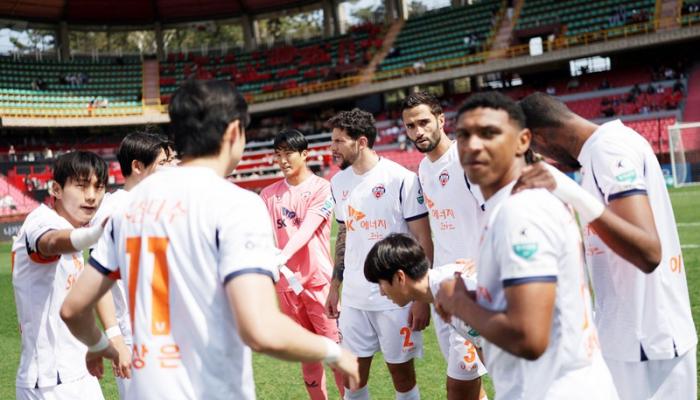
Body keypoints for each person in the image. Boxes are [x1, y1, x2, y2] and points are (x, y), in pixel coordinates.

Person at [60, 80, 359, 400]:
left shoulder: (128, 208)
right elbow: (260, 329)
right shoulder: (237, 205)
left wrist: (98, 345)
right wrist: (334, 351)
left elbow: (73, 309)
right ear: (234, 132)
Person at [435, 92, 619, 399]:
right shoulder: (508, 205)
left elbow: (529, 337)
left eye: (489, 133)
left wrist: (459, 303)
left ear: (523, 141)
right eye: (464, 135)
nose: (473, 145)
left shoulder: (521, 212)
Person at [516, 92, 697, 400]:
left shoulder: (608, 150)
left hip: (647, 339)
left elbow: (648, 252)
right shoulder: (600, 151)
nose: (547, 158)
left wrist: (569, 192)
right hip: (630, 335)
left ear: (540, 138)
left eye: (537, 149)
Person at [325, 108, 433, 400]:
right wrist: (335, 286)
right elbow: (345, 235)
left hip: (395, 298)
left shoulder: (401, 179)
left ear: (361, 142)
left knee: (402, 377)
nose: (332, 148)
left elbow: (423, 238)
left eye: (338, 141)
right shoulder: (338, 183)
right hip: (354, 299)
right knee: (352, 379)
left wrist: (421, 297)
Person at [400, 92, 487, 400]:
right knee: (472, 386)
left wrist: (484, 259)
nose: (418, 131)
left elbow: (500, 210)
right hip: (443, 288)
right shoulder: (424, 170)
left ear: (441, 119)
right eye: (410, 126)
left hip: (475, 288)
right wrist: (424, 294)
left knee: (459, 389)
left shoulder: (467, 159)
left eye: (424, 122)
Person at [12, 151, 110, 400]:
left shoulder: (72, 228)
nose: (91, 196)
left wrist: (95, 343)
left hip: (79, 370)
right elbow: (51, 242)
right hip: (49, 381)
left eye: (99, 187)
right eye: (81, 186)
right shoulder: (41, 221)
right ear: (56, 189)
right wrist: (95, 234)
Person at [259, 129, 344, 400]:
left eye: (289, 154)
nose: (283, 160)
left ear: (305, 154)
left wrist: (282, 256)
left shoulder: (322, 188)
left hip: (319, 283)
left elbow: (307, 229)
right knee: (307, 355)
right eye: (278, 155)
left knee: (336, 354)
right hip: (286, 287)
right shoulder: (268, 194)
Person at [89, 131, 172, 399]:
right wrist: (115, 336)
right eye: (162, 163)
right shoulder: (113, 210)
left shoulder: (161, 206)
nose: (170, 169)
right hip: (133, 337)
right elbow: (98, 282)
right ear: (137, 166)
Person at [364, 233, 486, 400]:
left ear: (400, 277)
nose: (381, 292)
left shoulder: (455, 293)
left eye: (381, 283)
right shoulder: (443, 288)